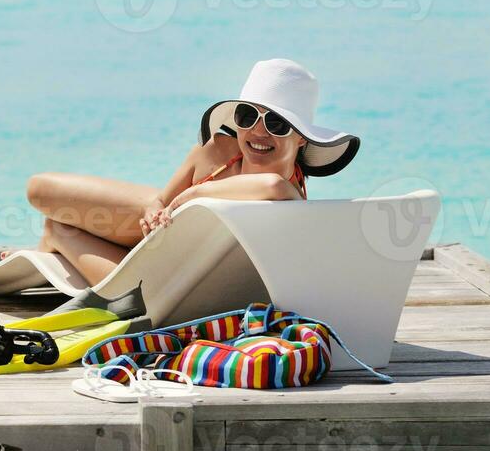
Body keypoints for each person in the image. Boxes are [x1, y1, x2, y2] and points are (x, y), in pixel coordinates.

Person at [21, 59, 360, 286]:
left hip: (176, 282)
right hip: (156, 240)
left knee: (61, 226)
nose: (258, 132)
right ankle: (49, 246)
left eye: (275, 123)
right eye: (247, 117)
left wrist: (196, 193)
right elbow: (161, 203)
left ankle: (54, 241)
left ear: (301, 137)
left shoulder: (289, 192)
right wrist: (158, 208)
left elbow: (269, 185)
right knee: (39, 189)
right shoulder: (217, 151)